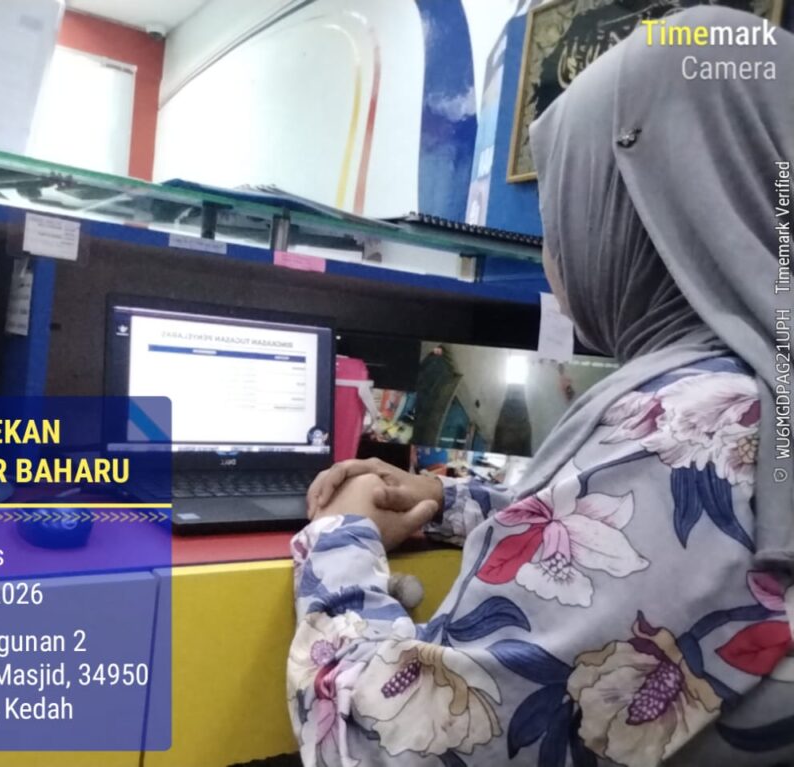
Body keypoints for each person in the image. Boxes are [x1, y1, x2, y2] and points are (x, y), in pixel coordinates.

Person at [286, 7, 793, 766]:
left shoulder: (687, 427)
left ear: (631, 215)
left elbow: (392, 743)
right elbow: (653, 549)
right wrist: (446, 498)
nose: (557, 256)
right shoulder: (761, 393)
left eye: (565, 211)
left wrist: (339, 541)